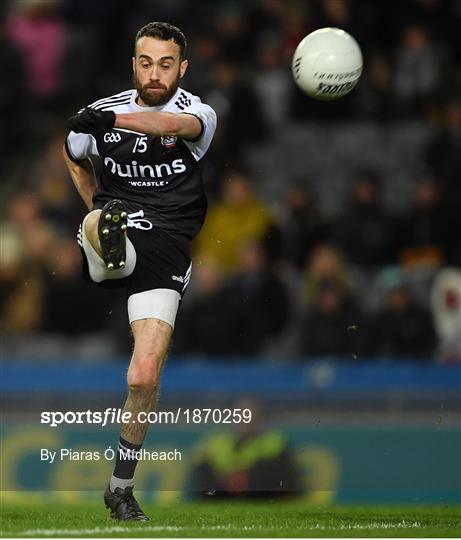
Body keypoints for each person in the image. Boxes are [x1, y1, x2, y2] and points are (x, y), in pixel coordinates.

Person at [63, 22, 217, 521]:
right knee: (101, 221)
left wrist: (106, 123)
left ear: (182, 68)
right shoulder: (102, 113)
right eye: (146, 63)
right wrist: (91, 189)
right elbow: (73, 153)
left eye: (166, 64)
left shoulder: (198, 113)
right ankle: (100, 235)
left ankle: (120, 488)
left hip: (167, 246)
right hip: (123, 224)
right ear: (133, 65)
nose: (155, 74)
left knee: (143, 375)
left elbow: (171, 128)